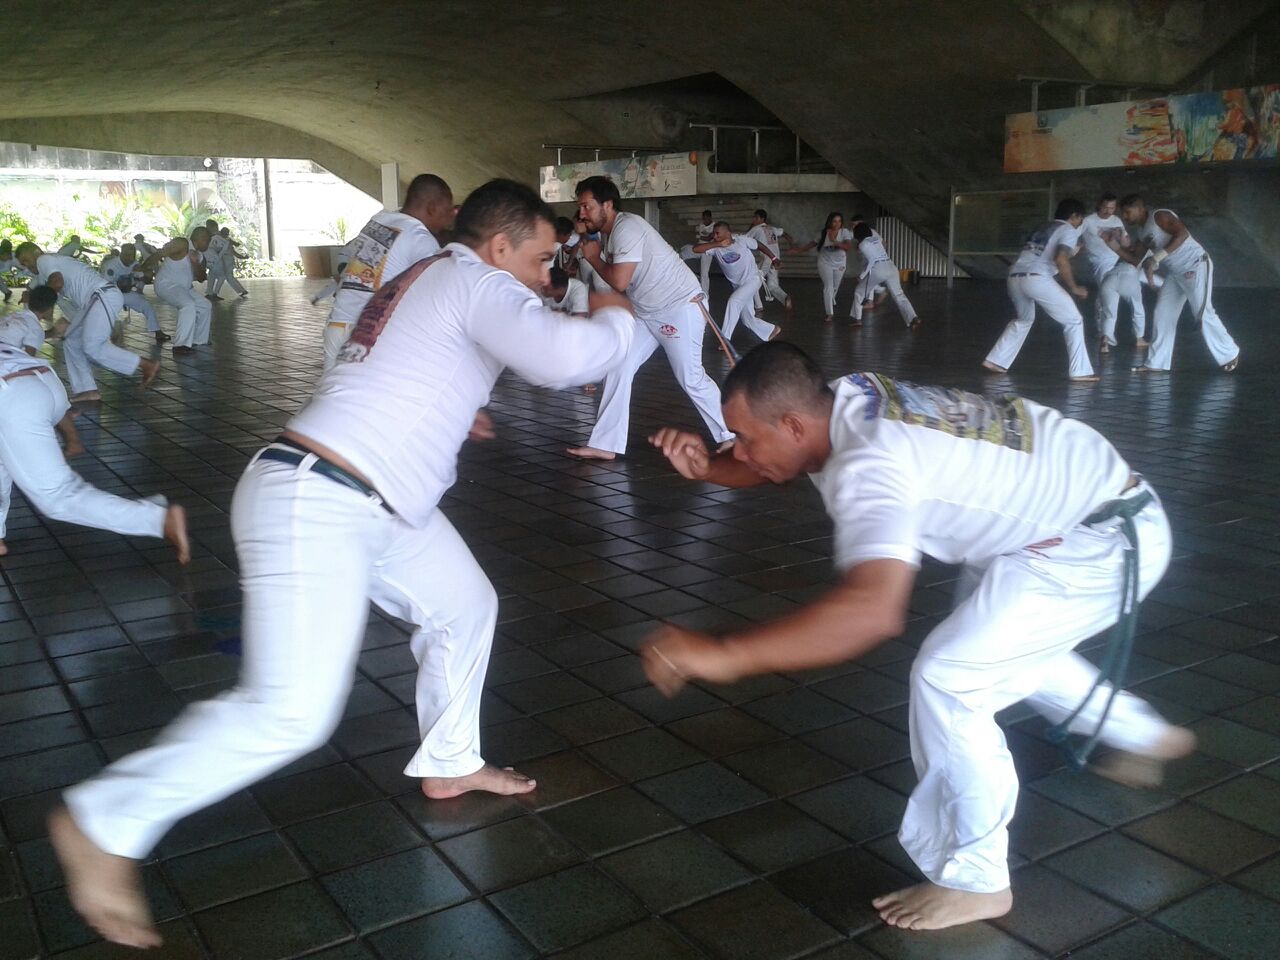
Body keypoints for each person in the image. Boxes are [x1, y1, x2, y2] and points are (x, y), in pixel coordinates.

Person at [48, 178, 635, 949]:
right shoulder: (476, 278)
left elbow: (407, 363)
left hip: (369, 499)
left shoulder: (427, 275)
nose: (545, 274)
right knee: (290, 712)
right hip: (321, 500)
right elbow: (562, 358)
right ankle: (102, 820)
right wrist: (616, 314)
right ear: (499, 246)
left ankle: (450, 759)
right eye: (540, 258)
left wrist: (456, 405)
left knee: (464, 606)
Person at [644, 341, 1196, 931]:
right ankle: (1146, 735)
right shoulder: (846, 397)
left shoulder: (869, 465)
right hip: (1068, 516)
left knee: (950, 678)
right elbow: (782, 457)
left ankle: (977, 881)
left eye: (743, 437)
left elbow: (872, 612)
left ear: (794, 423)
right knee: (1002, 653)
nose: (737, 450)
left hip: (1098, 541)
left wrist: (724, 655)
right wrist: (709, 469)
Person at [565, 176, 734, 462]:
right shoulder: (608, 232)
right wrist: (589, 241)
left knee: (690, 377)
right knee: (618, 364)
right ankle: (606, 443)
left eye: (587, 206)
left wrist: (593, 258)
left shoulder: (627, 228)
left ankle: (730, 436)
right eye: (580, 207)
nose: (582, 213)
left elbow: (619, 280)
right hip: (646, 311)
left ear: (607, 205)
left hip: (679, 307)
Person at [0, 330, 189, 561]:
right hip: (42, 380)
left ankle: (158, 520)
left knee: (57, 495)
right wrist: (73, 439)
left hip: (11, 395)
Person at [322, 173, 454, 370]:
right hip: (366, 334)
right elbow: (437, 293)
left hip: (338, 324)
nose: (449, 219)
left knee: (333, 388)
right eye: (448, 210)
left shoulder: (379, 220)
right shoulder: (420, 239)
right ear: (433, 207)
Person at [15, 242, 160, 400]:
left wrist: (40, 302)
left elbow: (57, 283)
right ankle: (87, 389)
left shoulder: (44, 260)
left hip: (101, 295)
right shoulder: (46, 272)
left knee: (93, 346)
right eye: (23, 264)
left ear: (36, 252)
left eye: (26, 260)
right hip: (93, 301)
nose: (26, 266)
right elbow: (51, 291)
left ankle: (146, 365)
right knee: (71, 340)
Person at [1112, 195, 1240, 374]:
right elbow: (1136, 260)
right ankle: (1156, 362)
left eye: (1127, 212)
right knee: (1162, 314)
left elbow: (1182, 234)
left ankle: (1229, 353)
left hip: (1195, 265)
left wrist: (1156, 258)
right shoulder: (1141, 232)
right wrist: (1112, 244)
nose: (1125, 217)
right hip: (1176, 273)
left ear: (1140, 209)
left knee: (1202, 312)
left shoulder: (1159, 216)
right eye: (1123, 213)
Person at [983, 199, 1097, 382]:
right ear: (1074, 216)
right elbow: (1060, 259)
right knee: (1074, 320)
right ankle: (1080, 371)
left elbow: (1045, 252)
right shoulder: (1068, 229)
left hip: (1015, 277)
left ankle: (996, 360)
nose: (1080, 223)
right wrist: (1074, 287)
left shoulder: (1043, 227)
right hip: (1036, 278)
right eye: (1080, 219)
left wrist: (1074, 250)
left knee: (1024, 319)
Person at [1080, 194, 1147, 354]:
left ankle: (1109, 336)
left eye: (1112, 208)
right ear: (1099, 205)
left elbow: (1126, 243)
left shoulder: (1116, 220)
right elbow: (1076, 238)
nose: (1109, 211)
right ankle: (1102, 333)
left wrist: (1120, 236)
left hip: (1118, 259)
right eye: (1105, 207)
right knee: (1108, 300)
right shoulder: (1088, 221)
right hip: (1100, 263)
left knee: (1114, 294)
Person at [692, 221, 780, 343]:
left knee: (733, 301)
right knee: (747, 319)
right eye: (714, 234)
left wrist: (774, 258)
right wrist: (718, 243)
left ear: (727, 233)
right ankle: (771, 330)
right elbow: (695, 249)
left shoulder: (741, 240)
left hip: (753, 279)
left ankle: (725, 339)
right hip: (738, 285)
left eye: (717, 233)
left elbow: (759, 245)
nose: (715, 236)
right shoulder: (715, 247)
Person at [146, 229, 213, 356]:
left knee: (205, 306)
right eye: (208, 240)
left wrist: (195, 263)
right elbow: (158, 255)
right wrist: (142, 268)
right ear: (201, 238)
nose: (209, 243)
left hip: (184, 288)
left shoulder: (200, 256)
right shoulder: (182, 243)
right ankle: (181, 345)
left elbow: (201, 278)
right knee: (188, 304)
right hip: (166, 285)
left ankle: (199, 340)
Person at [848, 222, 920, 329]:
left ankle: (857, 320)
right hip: (891, 267)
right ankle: (913, 317)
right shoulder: (876, 239)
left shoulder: (862, 244)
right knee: (899, 295)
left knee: (859, 291)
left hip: (878, 268)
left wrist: (862, 275)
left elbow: (872, 260)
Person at [100, 244, 167, 345]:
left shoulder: (134, 263)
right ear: (121, 253)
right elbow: (106, 285)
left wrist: (146, 275)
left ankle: (158, 332)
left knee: (146, 305)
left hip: (126, 293)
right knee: (106, 315)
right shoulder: (111, 266)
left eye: (132, 255)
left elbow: (142, 278)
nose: (129, 257)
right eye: (127, 254)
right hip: (109, 294)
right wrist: (123, 285)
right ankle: (102, 334)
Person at [791, 213, 852, 322]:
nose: (837, 224)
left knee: (835, 286)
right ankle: (829, 313)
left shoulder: (844, 232)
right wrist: (799, 250)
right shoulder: (823, 233)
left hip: (840, 263)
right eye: (834, 221)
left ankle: (831, 300)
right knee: (828, 287)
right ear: (830, 222)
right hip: (825, 262)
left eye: (839, 221)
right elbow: (812, 244)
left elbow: (847, 247)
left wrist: (835, 242)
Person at [745, 209, 793, 313]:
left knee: (752, 281)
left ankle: (758, 306)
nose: (753, 220)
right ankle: (785, 298)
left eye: (755, 218)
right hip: (776, 260)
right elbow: (784, 233)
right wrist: (791, 244)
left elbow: (744, 239)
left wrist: (751, 227)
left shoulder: (756, 229)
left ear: (761, 218)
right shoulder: (772, 228)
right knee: (773, 285)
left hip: (766, 259)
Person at [678, 209, 717, 296]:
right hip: (699, 248)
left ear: (710, 218)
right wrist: (698, 238)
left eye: (706, 219)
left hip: (708, 250)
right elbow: (699, 238)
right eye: (703, 219)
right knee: (684, 251)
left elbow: (709, 238)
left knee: (704, 273)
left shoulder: (715, 226)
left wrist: (699, 236)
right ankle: (693, 276)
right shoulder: (701, 225)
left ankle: (705, 295)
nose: (705, 220)